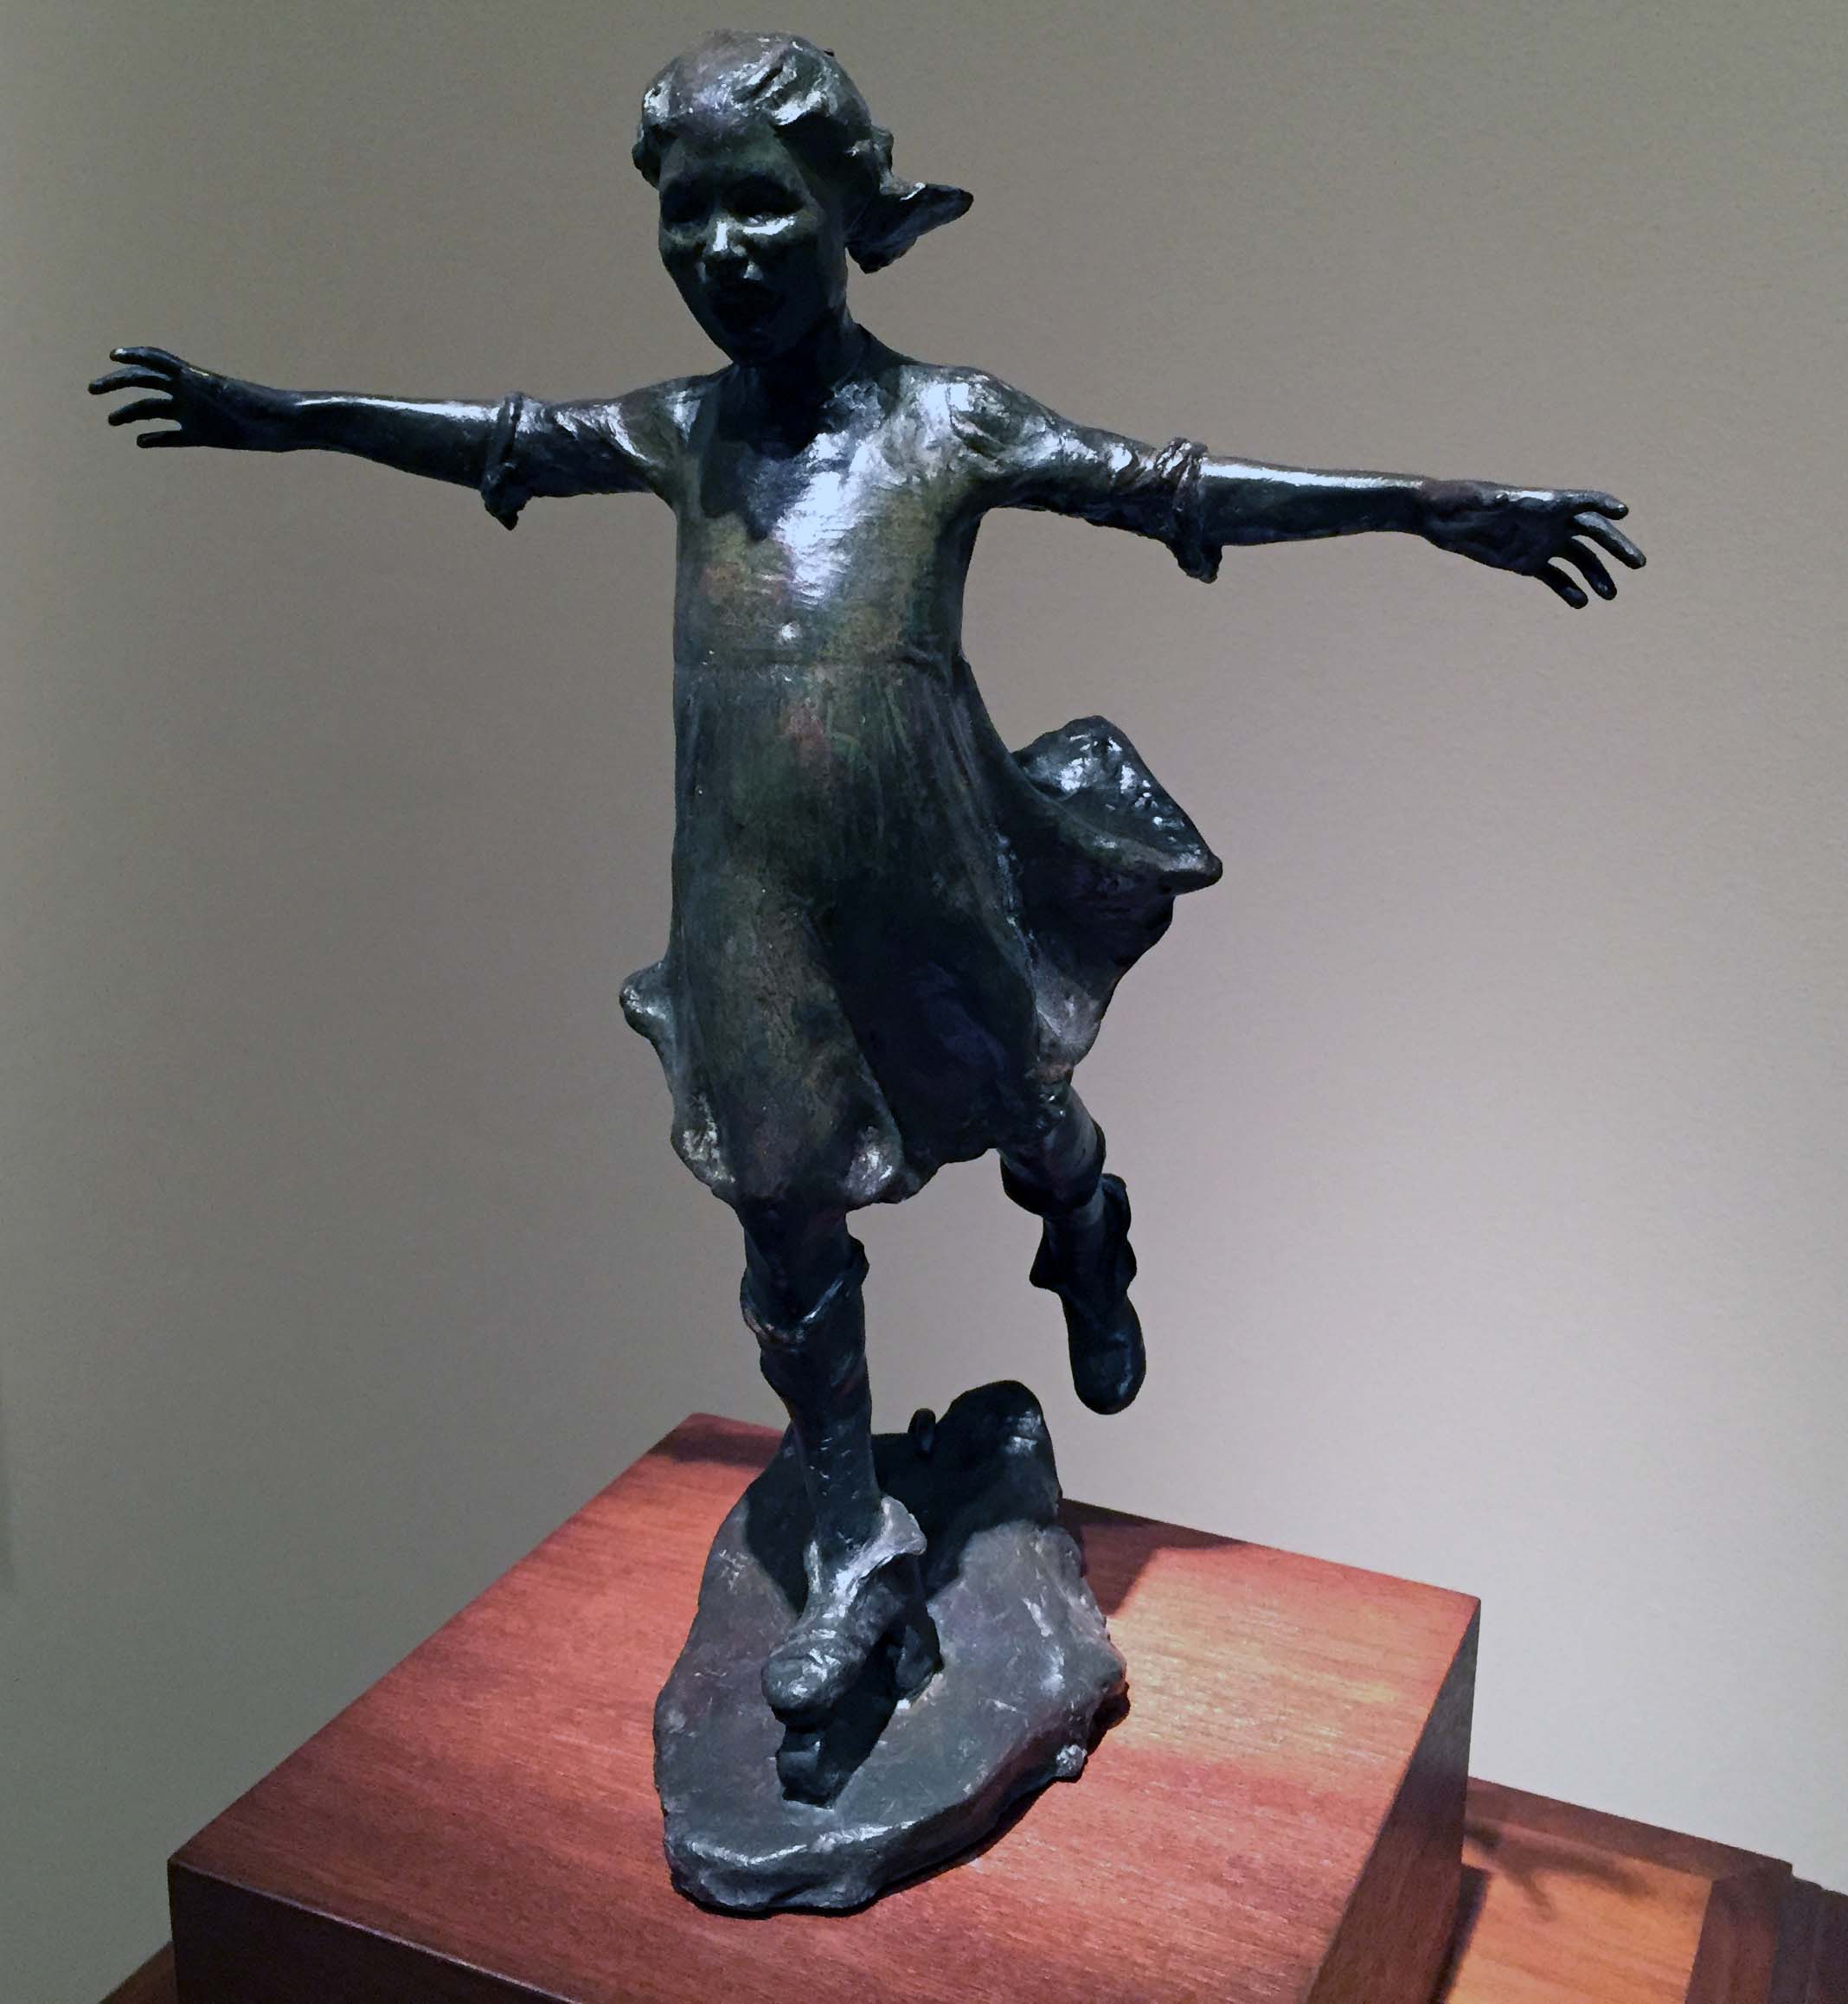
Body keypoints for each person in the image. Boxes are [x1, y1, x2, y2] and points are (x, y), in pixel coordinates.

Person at [91, 29, 1643, 1758]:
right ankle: (851, 1539)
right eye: (687, 216)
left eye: (762, 206)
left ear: (847, 214)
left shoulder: (945, 422)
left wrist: (1431, 509)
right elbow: (499, 441)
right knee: (778, 1201)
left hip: (929, 865)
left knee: (1023, 1101)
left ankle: (1087, 1225)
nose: (722, 252)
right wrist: (284, 418)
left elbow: (1172, 490)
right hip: (747, 888)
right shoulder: (683, 435)